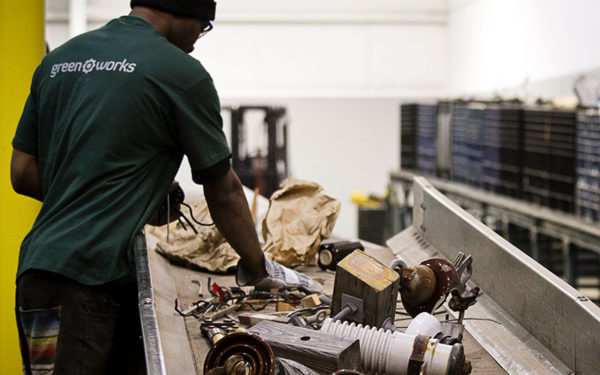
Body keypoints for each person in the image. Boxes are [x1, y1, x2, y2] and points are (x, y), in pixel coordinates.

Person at [10, 0, 321, 373]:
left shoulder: (59, 60)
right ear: (182, 11)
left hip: (39, 271)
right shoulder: (181, 74)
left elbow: (23, 171)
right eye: (203, 26)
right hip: (88, 280)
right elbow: (222, 190)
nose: (196, 40)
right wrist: (258, 269)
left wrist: (123, 198)